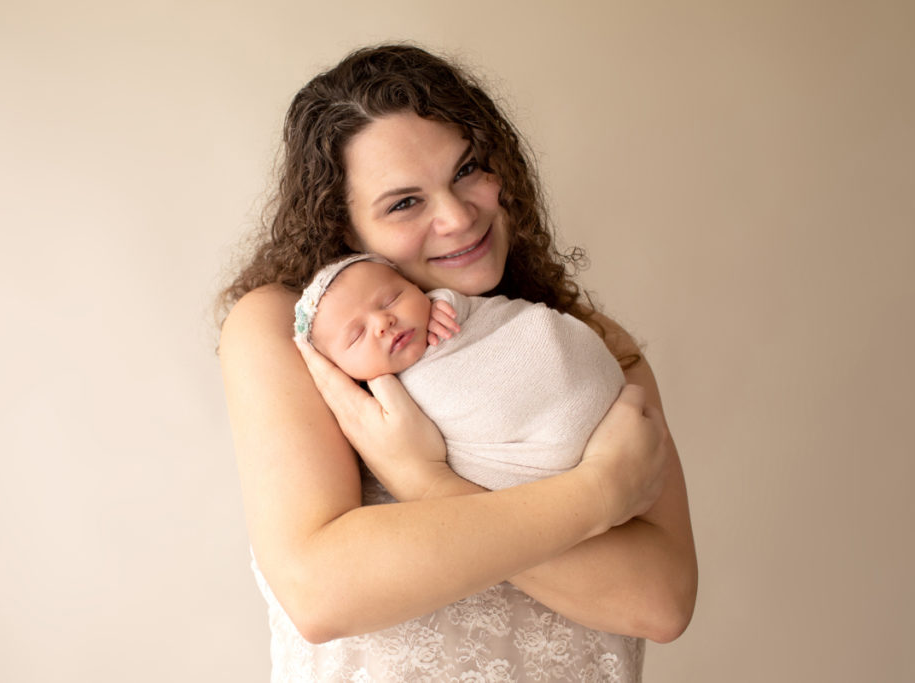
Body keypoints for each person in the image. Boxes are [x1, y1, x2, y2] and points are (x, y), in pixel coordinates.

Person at [218, 44, 696, 682]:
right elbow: (322, 592)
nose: (458, 216)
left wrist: (427, 481)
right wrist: (600, 492)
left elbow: (660, 602)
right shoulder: (290, 332)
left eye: (467, 169)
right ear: (345, 231)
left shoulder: (582, 342)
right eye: (403, 203)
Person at [296, 253, 627, 491]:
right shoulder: (379, 403)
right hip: (536, 455)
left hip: (571, 372)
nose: (383, 323)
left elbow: (479, 311)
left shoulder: (445, 313)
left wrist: (444, 302)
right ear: (340, 370)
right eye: (357, 335)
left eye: (392, 299)